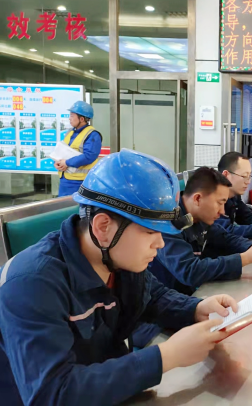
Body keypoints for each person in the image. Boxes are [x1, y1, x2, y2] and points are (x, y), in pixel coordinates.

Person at [0, 149, 239, 406]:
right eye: (150, 232)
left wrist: (196, 308)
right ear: (103, 227)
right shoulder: (32, 284)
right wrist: (166, 357)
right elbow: (53, 394)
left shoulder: (119, 260)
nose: (160, 244)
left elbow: (153, 296)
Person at [149, 167, 252, 295]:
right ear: (197, 199)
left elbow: (225, 238)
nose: (222, 211)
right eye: (219, 203)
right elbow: (189, 271)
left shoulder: (199, 217)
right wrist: (246, 258)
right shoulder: (167, 224)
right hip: (169, 300)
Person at [56, 101, 102, 197]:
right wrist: (58, 162)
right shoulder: (70, 132)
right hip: (65, 181)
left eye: (72, 116)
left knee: (76, 206)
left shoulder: (92, 135)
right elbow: (63, 151)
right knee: (62, 206)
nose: (69, 118)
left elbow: (89, 156)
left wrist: (67, 163)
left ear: (82, 119)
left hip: (80, 183)